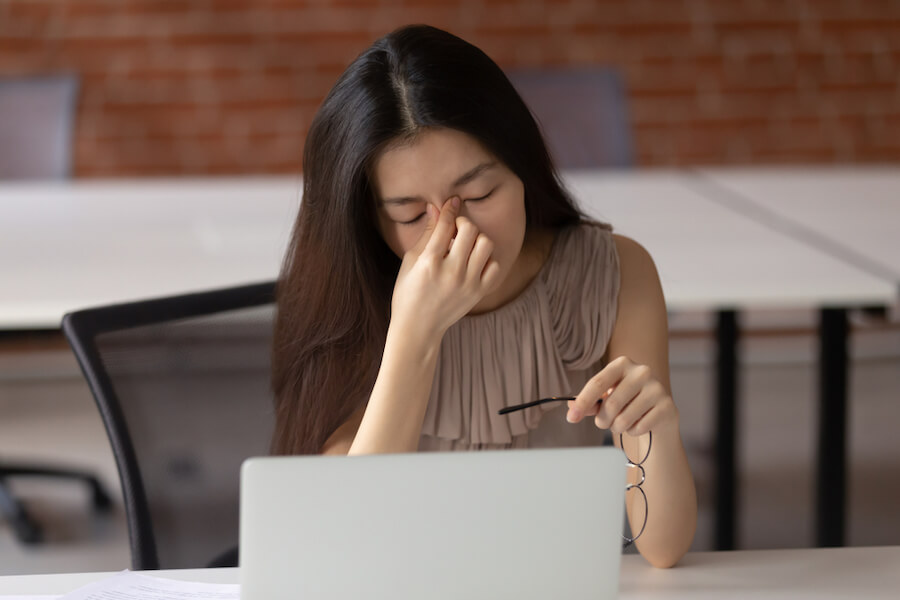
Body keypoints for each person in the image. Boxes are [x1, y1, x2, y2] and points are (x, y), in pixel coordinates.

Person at [271, 24, 697, 568]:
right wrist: (413, 334)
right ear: (369, 222)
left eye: (479, 193)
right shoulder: (354, 298)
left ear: (522, 170)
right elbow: (352, 549)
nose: (454, 233)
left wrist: (656, 429)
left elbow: (662, 548)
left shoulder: (615, 273)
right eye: (409, 214)